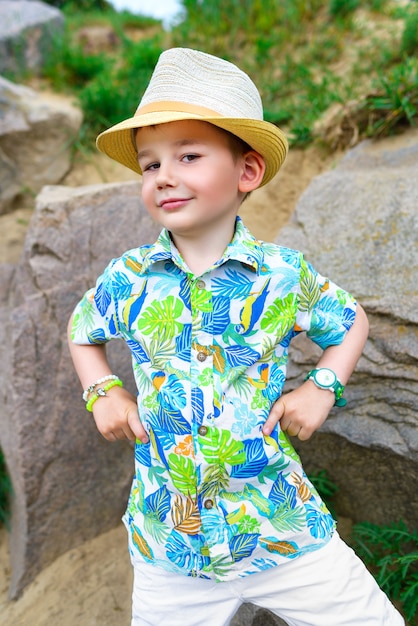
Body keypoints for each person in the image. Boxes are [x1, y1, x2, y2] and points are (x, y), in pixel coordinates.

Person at [67, 48, 404, 626]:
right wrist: (104, 391)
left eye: (189, 155)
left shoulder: (281, 275)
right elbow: (82, 331)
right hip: (170, 543)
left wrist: (323, 385)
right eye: (150, 165)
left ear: (247, 171)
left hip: (279, 526)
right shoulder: (128, 279)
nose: (164, 175)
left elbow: (349, 321)